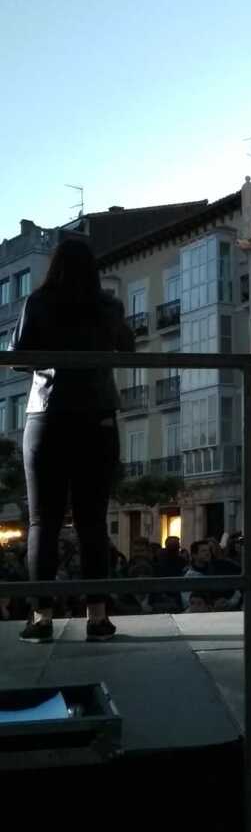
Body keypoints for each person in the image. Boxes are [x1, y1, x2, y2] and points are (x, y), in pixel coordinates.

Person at [10, 237, 134, 643]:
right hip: (97, 418)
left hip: (47, 415)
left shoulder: (38, 302)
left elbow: (19, 356)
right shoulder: (108, 306)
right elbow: (128, 348)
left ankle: (41, 618)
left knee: (42, 523)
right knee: (93, 523)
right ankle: (97, 618)